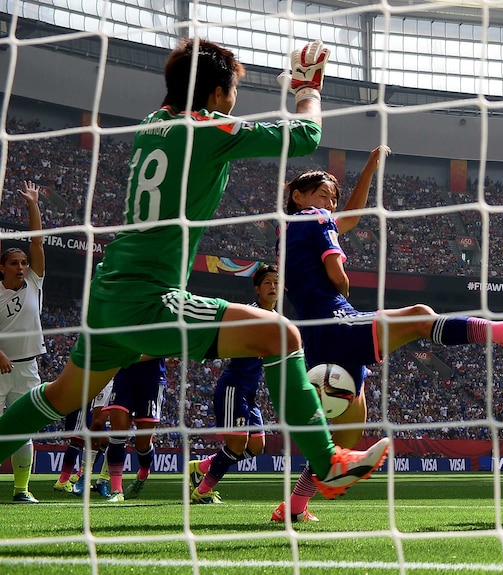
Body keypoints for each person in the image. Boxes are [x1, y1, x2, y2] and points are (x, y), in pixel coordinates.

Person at [0, 38, 390, 504]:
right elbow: (306, 135)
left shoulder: (152, 125)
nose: (233, 102)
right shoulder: (207, 129)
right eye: (231, 93)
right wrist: (308, 89)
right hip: (148, 296)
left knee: (62, 395)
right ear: (215, 95)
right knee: (281, 336)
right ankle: (328, 464)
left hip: (108, 291)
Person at [271, 146, 503, 523]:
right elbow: (336, 267)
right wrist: (341, 279)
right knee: (420, 316)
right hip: (334, 321)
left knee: (345, 438)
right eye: (323, 193)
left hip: (317, 331)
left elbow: (348, 217)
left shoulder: (290, 228)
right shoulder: (312, 217)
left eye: (332, 197)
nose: (329, 201)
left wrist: (368, 169)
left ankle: (296, 506)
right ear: (298, 197)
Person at [189, 264, 279, 504]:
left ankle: (201, 467)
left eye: (276, 282)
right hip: (234, 385)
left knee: (257, 446)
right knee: (237, 445)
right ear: (257, 288)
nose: (272, 287)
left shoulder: (278, 320)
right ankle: (203, 492)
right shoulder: (248, 314)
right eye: (268, 282)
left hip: (250, 391)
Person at [0, 180, 45, 504]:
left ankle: (21, 489)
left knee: (23, 430)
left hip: (27, 365)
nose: (21, 267)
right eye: (14, 263)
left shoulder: (33, 283)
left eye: (23, 263)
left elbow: (37, 243)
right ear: (2, 268)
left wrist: (33, 205)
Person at [102, 358, 167, 503]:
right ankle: (116, 490)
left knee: (142, 444)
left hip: (152, 379)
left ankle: (143, 475)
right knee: (117, 433)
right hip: (124, 375)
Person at [53, 380, 112, 495]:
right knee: (77, 441)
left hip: (96, 397)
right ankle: (63, 481)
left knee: (103, 441)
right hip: (84, 397)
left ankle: (80, 475)